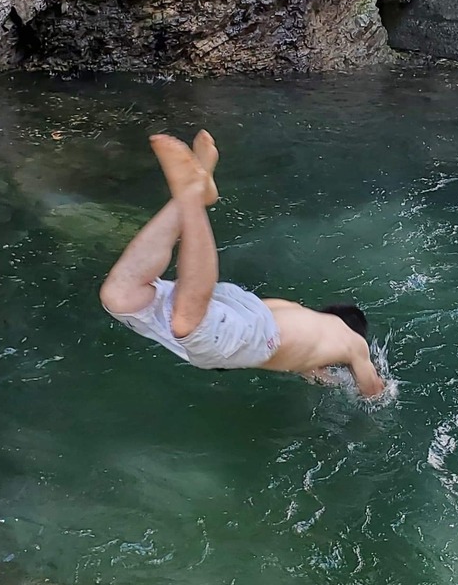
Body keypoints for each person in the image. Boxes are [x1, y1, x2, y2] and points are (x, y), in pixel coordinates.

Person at [100, 131, 388, 399]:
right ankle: (189, 194)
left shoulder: (302, 315)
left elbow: (306, 363)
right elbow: (373, 392)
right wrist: (381, 392)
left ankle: (195, 192)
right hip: (259, 335)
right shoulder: (354, 344)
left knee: (121, 295)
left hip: (251, 309)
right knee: (188, 322)